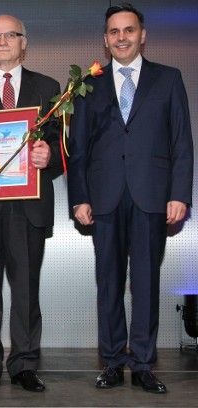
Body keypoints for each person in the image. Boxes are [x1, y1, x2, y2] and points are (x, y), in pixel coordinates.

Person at [67, 2, 193, 394]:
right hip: (103, 198)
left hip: (152, 196)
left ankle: (142, 363)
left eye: (129, 30)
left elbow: (182, 143)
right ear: (105, 39)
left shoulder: (168, 79)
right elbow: (79, 148)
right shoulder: (89, 83)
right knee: (108, 283)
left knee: (145, 282)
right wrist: (79, 197)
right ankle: (112, 361)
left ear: (143, 34)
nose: (121, 37)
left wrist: (179, 194)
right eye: (114, 32)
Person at [0, 15, 62, 393]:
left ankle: (24, 363)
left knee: (26, 290)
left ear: (24, 42)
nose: (3, 41)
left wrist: (48, 155)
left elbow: (64, 146)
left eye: (11, 35)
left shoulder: (49, 88)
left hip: (29, 207)